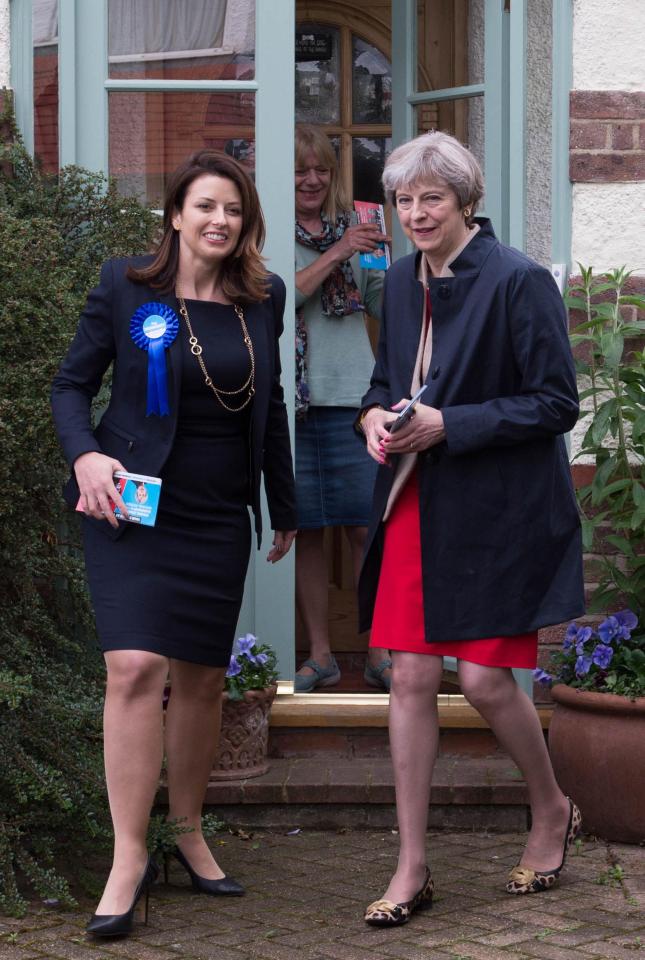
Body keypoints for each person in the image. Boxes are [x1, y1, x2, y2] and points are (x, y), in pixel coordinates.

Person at [51, 150, 297, 937]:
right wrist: (85, 453)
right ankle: (130, 855)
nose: (219, 221)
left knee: (200, 680)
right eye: (205, 207)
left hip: (217, 512)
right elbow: (69, 385)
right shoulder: (127, 286)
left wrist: (283, 504)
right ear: (175, 214)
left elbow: (274, 405)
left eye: (233, 210)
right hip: (130, 507)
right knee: (133, 668)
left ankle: (188, 832)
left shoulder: (264, 297)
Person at [357, 131, 584, 927]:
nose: (415, 213)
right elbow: (386, 383)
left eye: (432, 199)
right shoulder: (393, 282)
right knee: (410, 676)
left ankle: (550, 806)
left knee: (486, 681)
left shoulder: (518, 281)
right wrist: (369, 420)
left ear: (464, 202)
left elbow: (557, 403)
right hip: (415, 498)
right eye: (404, 200)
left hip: (497, 507)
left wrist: (448, 424)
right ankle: (411, 865)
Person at [293, 123, 391, 692]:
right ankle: (321, 656)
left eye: (321, 169)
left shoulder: (358, 226)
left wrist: (389, 263)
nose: (311, 179)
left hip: (357, 398)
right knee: (305, 530)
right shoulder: (264, 232)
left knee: (363, 528)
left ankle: (378, 650)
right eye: (301, 169)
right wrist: (338, 251)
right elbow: (283, 296)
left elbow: (379, 303)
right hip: (297, 404)